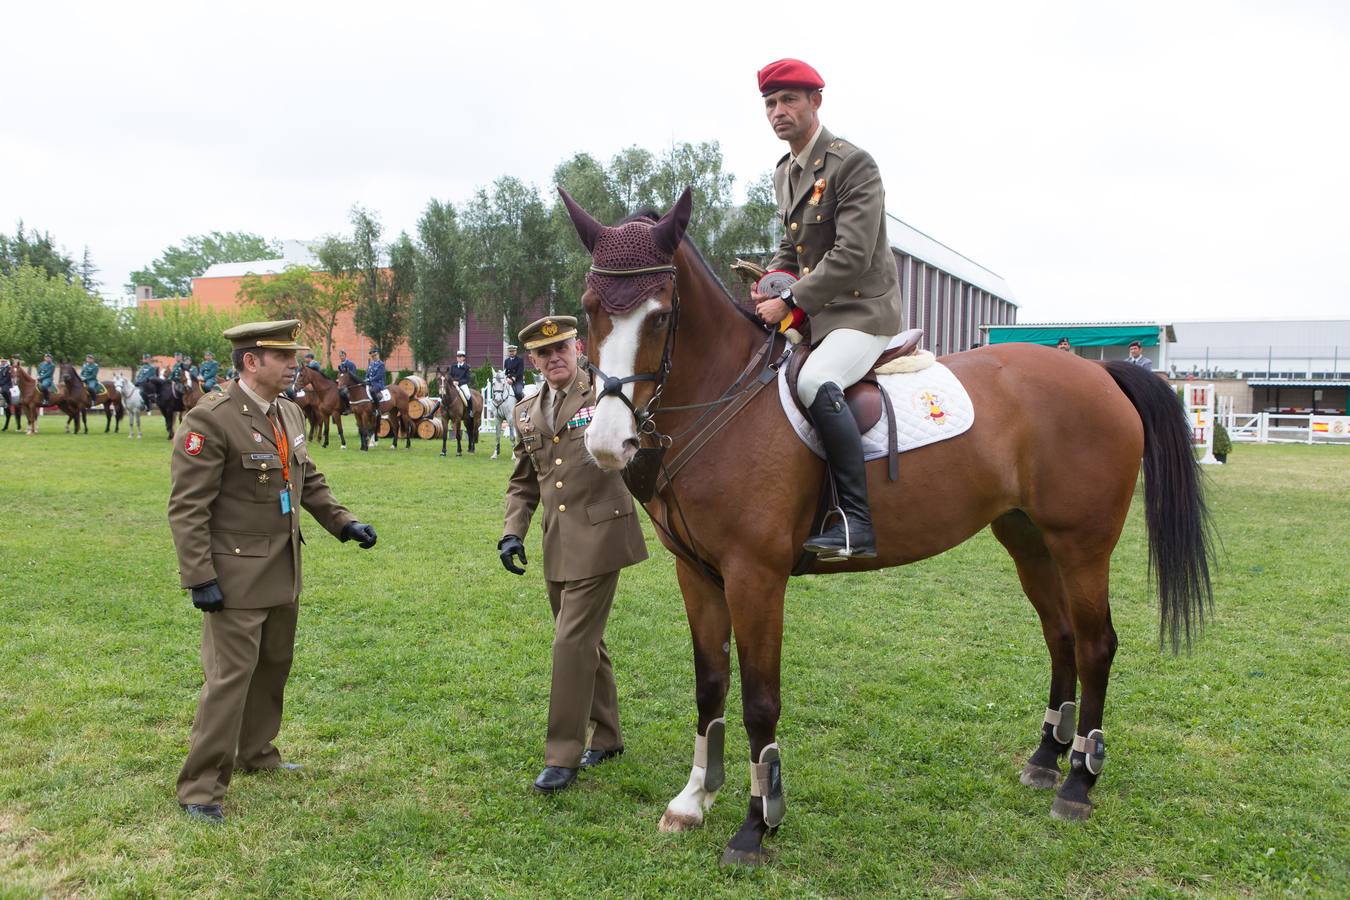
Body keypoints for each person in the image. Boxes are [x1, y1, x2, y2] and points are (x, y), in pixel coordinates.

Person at [167, 319, 377, 824]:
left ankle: (256, 752)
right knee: (228, 679)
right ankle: (200, 788)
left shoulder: (286, 411)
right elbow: (187, 508)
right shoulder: (211, 419)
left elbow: (308, 481)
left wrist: (344, 523)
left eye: (295, 358)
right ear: (250, 362)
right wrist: (200, 577)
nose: (295, 366)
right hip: (234, 576)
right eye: (284, 358)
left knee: (272, 667)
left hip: (284, 568)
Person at [748, 58, 902, 560]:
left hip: (863, 313)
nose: (778, 110)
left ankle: (857, 522)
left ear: (816, 101)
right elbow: (794, 250)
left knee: (814, 381)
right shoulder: (785, 173)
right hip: (817, 316)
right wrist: (768, 280)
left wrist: (790, 299)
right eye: (770, 103)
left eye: (789, 99)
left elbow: (852, 255)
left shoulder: (852, 164)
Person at [498, 316, 648, 793]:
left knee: (570, 643)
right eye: (543, 353)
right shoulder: (526, 412)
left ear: (578, 346)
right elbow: (524, 483)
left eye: (560, 346)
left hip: (603, 534)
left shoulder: (609, 393)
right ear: (532, 360)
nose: (553, 357)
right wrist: (511, 532)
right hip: (556, 541)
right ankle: (607, 737)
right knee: (587, 643)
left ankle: (562, 755)